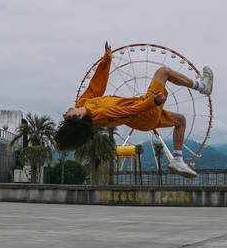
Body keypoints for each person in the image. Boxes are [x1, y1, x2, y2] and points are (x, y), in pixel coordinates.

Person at [55, 42, 214, 178]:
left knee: (180, 121)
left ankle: (178, 160)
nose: (64, 113)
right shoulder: (99, 115)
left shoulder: (83, 102)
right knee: (163, 72)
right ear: (77, 117)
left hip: (144, 116)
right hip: (144, 112)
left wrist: (106, 59)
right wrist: (152, 102)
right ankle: (202, 86)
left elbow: (96, 85)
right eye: (66, 117)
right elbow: (129, 112)